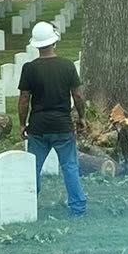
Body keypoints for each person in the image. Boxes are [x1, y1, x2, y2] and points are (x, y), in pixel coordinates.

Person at [17, 20, 87, 218]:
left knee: (33, 169)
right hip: (62, 125)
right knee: (70, 167)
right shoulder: (67, 66)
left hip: (38, 127)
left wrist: (22, 124)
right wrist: (82, 117)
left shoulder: (29, 68)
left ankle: (28, 204)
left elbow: (24, 99)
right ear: (54, 42)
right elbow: (78, 96)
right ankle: (78, 207)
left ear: (36, 45)